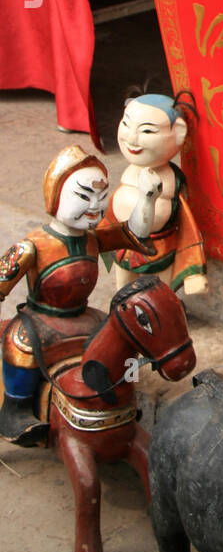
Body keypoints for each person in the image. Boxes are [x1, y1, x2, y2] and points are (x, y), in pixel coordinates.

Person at [0, 146, 159, 444]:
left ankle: (125, 394)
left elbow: (135, 231)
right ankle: (15, 407)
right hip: (42, 318)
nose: (94, 208)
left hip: (83, 315)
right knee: (18, 343)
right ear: (55, 196)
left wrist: (148, 197)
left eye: (101, 198)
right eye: (83, 197)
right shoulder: (33, 246)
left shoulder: (94, 238)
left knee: (125, 341)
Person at [104, 92, 207, 295]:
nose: (131, 138)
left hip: (160, 245)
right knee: (123, 287)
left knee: (160, 291)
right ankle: (122, 309)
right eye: (126, 124)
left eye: (148, 131)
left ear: (178, 132)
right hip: (124, 240)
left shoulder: (171, 179)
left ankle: (162, 308)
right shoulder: (132, 170)